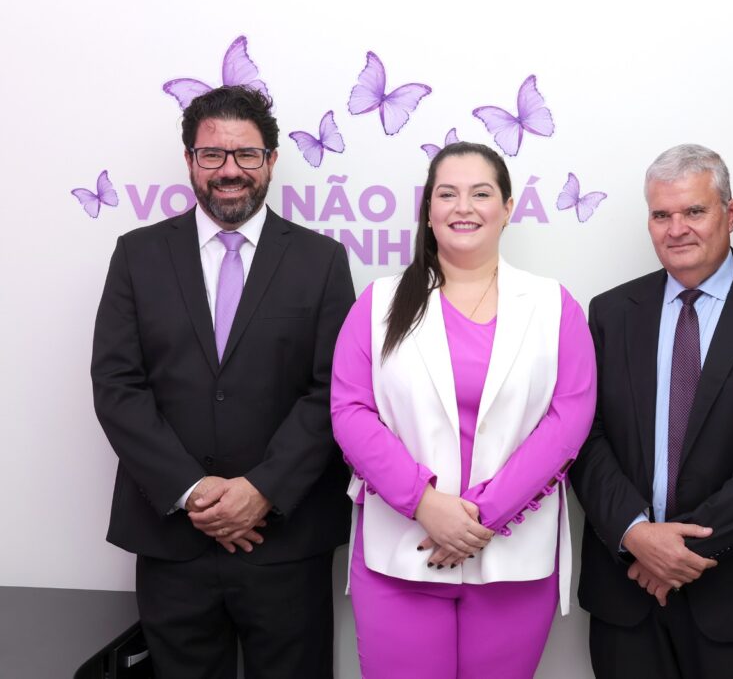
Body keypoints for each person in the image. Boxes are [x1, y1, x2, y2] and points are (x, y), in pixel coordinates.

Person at [91, 85, 355, 678]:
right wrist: (194, 492)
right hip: (173, 539)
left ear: (271, 161)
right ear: (189, 160)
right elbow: (117, 384)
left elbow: (332, 392)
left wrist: (261, 490)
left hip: (285, 540)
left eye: (247, 155)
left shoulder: (321, 262)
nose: (229, 171)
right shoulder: (137, 255)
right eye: (212, 155)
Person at [330, 141, 596, 678]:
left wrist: (481, 516)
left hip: (512, 559)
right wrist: (426, 504)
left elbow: (568, 420)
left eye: (481, 193)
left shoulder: (552, 306)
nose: (463, 207)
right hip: (402, 554)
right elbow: (350, 411)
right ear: (428, 211)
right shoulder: (380, 303)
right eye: (446, 194)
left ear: (508, 207)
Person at [570, 144, 733, 678]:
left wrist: (679, 550)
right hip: (628, 595)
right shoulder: (610, 312)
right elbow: (584, 435)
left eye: (694, 211)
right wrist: (636, 534)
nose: (676, 228)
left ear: (730, 213)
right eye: (661, 214)